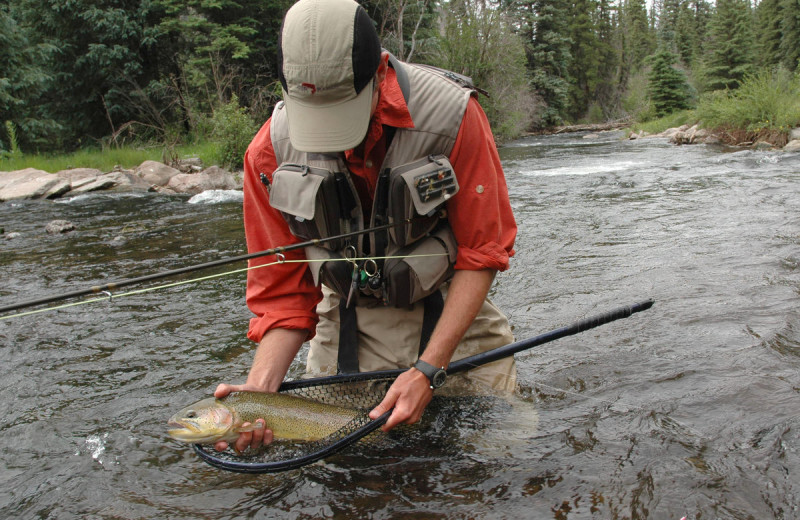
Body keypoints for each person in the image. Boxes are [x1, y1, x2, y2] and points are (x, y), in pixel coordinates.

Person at [214, 0, 518, 453]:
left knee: (497, 458)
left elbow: (482, 253)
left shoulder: (453, 117)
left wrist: (430, 369)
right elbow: (283, 294)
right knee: (344, 477)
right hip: (348, 328)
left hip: (455, 316)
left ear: (380, 71)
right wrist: (259, 395)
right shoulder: (268, 153)